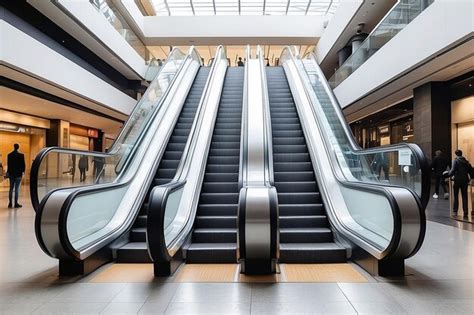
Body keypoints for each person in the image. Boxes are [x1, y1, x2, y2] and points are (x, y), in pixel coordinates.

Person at [445, 150, 473, 217]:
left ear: (456, 154)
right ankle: (465, 212)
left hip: (457, 180)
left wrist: (448, 174)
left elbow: (453, 170)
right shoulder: (466, 162)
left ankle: (455, 211)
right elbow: (471, 171)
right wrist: (471, 178)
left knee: (456, 196)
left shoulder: (456, 161)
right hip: (465, 181)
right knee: (465, 197)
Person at [7, 144, 25, 208]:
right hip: (18, 174)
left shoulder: (9, 155)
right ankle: (16, 204)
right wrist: (22, 172)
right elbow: (23, 165)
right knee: (17, 189)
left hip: (11, 174)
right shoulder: (21, 155)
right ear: (18, 147)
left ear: (13, 147)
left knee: (11, 189)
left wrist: (8, 172)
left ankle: (10, 203)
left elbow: (8, 165)